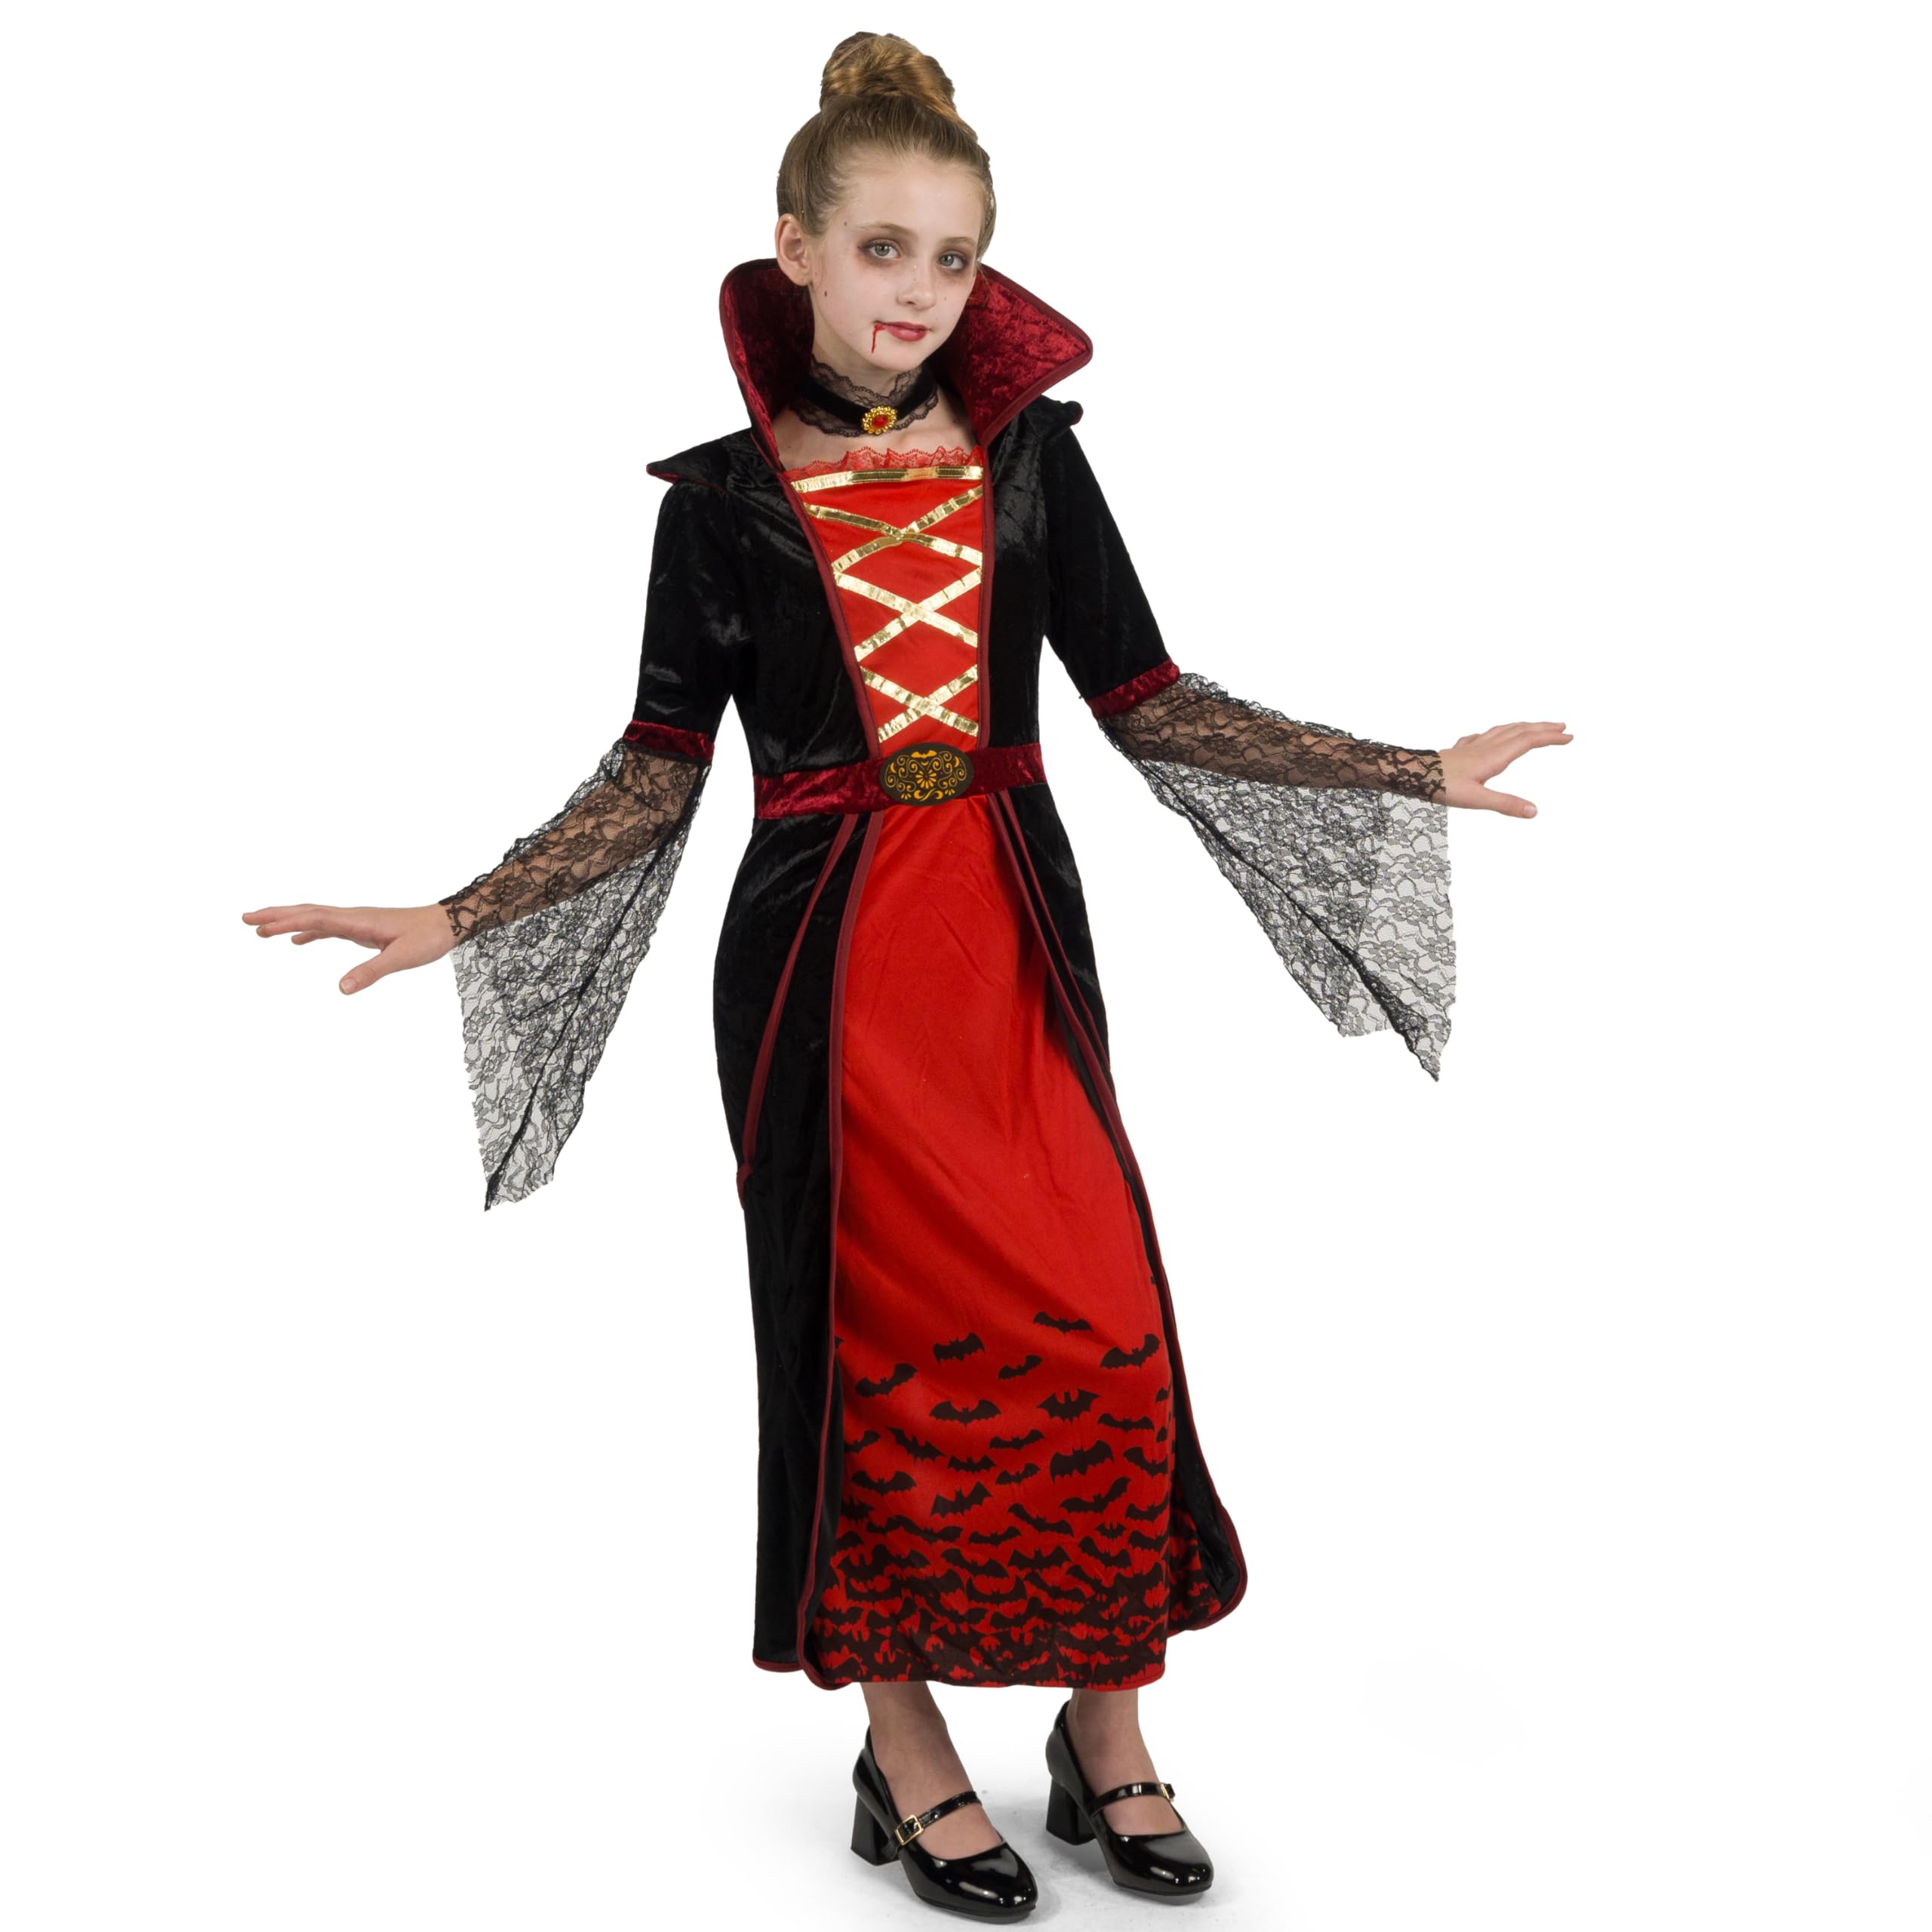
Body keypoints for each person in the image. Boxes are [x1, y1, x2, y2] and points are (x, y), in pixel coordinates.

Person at [243, 30, 1569, 1920]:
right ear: (792, 248)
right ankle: (906, 1743)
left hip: (1007, 930)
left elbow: (1147, 698)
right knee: (864, 1344)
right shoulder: (717, 502)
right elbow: (654, 769)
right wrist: (461, 911)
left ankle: (1103, 1727)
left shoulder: (1032, 460)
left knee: (1103, 1317)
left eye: (952, 258)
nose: (917, 292)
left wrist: (1402, 768)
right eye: (881, 249)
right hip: (823, 961)